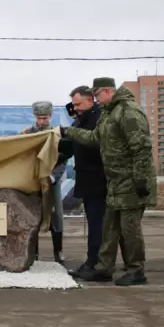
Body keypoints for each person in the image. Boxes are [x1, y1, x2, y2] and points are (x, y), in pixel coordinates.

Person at [60, 77, 156, 286]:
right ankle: (104, 268)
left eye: (96, 95)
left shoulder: (128, 111)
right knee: (109, 228)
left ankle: (136, 270)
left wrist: (140, 178)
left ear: (107, 92)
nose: (95, 100)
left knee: (130, 229)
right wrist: (70, 132)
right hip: (114, 181)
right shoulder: (109, 113)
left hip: (130, 180)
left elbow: (141, 147)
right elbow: (96, 138)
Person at [57, 86, 111, 276]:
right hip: (87, 180)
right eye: (73, 105)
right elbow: (71, 146)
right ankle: (92, 261)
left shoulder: (99, 119)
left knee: (98, 224)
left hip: (98, 179)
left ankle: (96, 264)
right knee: (94, 223)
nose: (76, 108)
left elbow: (92, 141)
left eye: (78, 104)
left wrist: (67, 133)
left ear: (90, 100)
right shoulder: (82, 118)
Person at [21, 101, 67, 264]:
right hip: (33, 181)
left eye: (45, 118)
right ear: (34, 117)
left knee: (56, 215)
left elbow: (63, 159)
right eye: (39, 118)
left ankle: (58, 251)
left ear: (50, 116)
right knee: (32, 214)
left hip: (51, 180)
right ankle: (34, 253)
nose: (42, 122)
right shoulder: (27, 134)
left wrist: (53, 177)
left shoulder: (57, 134)